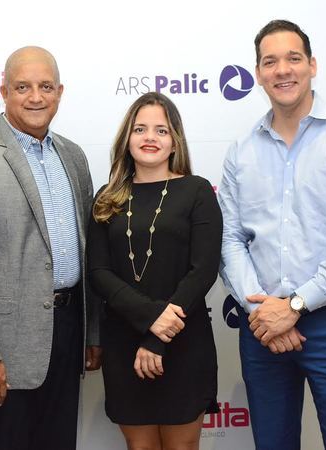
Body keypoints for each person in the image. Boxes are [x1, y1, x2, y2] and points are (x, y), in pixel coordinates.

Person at [218, 19, 326, 450]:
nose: (283, 70)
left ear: (312, 65)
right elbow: (230, 240)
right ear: (257, 73)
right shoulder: (241, 151)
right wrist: (266, 313)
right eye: (270, 61)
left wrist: (295, 305)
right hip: (262, 329)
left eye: (293, 58)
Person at [0, 46, 101, 450]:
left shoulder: (74, 156)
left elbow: (90, 252)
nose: (35, 97)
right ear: (3, 90)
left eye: (46, 86)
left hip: (67, 335)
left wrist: (92, 333)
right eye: (23, 86)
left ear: (60, 92)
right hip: (3, 351)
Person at [87, 92, 222, 450]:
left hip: (183, 342)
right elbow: (98, 272)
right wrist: (150, 319)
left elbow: (203, 271)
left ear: (175, 140)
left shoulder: (197, 191)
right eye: (140, 129)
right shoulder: (107, 197)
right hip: (124, 344)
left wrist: (157, 336)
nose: (150, 137)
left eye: (161, 130)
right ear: (126, 138)